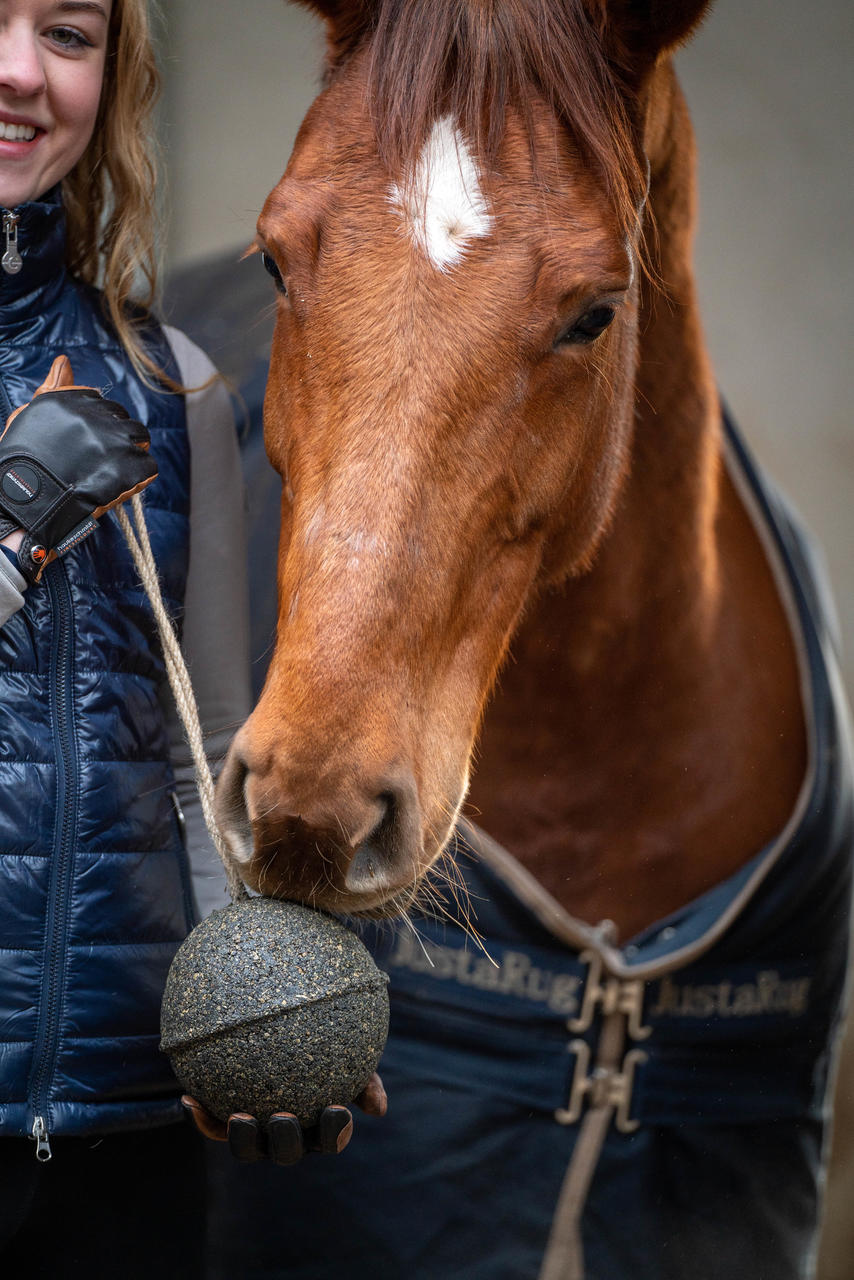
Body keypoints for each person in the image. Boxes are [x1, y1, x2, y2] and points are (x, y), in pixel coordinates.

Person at [0, 2, 252, 1273]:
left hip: (128, 1134)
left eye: (69, 32)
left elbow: (209, 766)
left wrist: (257, 1011)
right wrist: (17, 526)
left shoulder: (176, 386)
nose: (20, 74)